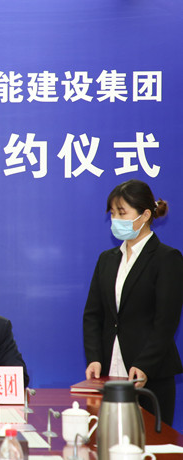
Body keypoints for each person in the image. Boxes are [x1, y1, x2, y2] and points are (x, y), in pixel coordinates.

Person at [83, 179, 183, 426]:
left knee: (149, 441)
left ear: (145, 215)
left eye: (122, 213)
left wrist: (144, 365)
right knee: (106, 438)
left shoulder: (167, 258)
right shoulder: (107, 259)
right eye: (113, 213)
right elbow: (93, 315)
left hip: (149, 375)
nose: (116, 220)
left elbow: (166, 322)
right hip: (109, 372)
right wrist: (94, 357)